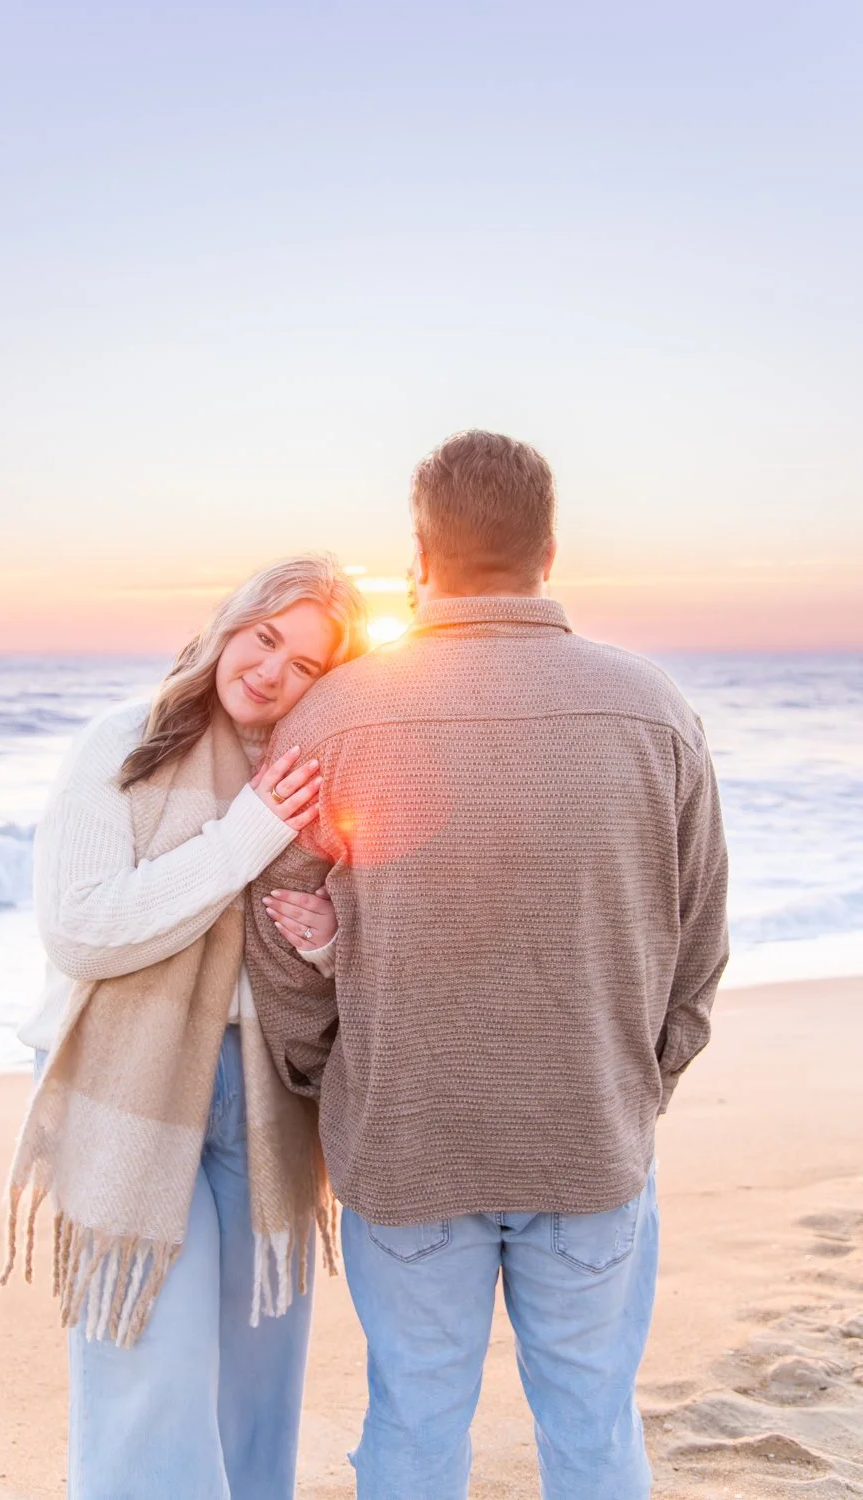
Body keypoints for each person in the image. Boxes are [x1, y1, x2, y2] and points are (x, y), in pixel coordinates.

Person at [245, 431, 730, 1500]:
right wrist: (636, 1085)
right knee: (593, 1428)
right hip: (590, 1141)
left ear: (418, 557)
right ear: (549, 550)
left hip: (407, 1145)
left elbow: (276, 937)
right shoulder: (652, 710)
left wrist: (331, 1081)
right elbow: (698, 952)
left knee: (415, 1423)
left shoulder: (334, 713)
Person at [4, 555, 369, 1500]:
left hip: (266, 1093)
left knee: (258, 1381)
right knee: (147, 1379)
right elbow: (82, 930)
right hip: (133, 1090)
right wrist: (242, 838)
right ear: (231, 621)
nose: (272, 673)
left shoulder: (316, 775)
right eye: (266, 639)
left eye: (305, 667)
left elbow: (363, 922)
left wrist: (333, 942)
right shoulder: (121, 746)